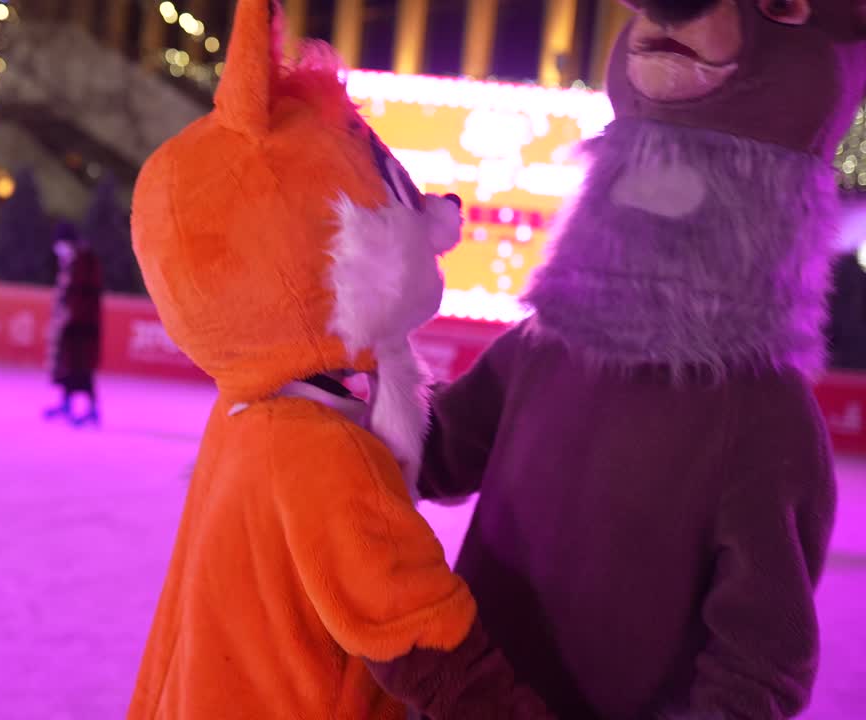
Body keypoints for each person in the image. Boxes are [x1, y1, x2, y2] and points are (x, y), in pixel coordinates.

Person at [417, 1, 866, 717]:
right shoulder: (540, 353)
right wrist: (333, 392)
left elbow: (758, 663)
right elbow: (428, 450)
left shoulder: (762, 418)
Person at [125, 1, 548, 718]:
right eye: (394, 194)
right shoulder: (322, 451)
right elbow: (426, 643)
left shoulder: (250, 415)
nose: (437, 217)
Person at [43, 222, 102, 426]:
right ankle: (66, 404)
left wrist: (70, 315)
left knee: (82, 368)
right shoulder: (71, 260)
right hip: (71, 326)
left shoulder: (84, 260)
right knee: (68, 366)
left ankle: (92, 409)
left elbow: (83, 295)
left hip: (82, 327)